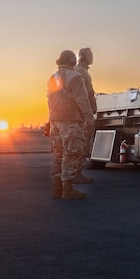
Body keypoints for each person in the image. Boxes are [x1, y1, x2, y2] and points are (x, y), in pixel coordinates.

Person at [47, 49, 96, 200]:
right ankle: (67, 189)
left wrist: (50, 120)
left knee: (58, 155)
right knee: (72, 153)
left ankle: (57, 188)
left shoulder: (52, 77)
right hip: (71, 122)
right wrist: (89, 119)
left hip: (56, 122)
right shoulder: (75, 77)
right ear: (72, 61)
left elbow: (49, 101)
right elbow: (82, 100)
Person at [74, 46, 98, 180]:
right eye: (90, 55)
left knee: (83, 143)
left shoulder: (82, 71)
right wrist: (88, 114)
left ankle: (77, 173)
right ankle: (76, 174)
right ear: (83, 56)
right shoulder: (80, 72)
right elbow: (84, 94)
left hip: (83, 112)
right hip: (82, 114)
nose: (92, 57)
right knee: (82, 143)